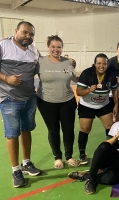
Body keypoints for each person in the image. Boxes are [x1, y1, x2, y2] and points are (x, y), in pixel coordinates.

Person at [0, 21, 41, 188]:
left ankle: (26, 163)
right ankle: (15, 170)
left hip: (29, 98)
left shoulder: (33, 50)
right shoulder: (2, 45)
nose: (28, 36)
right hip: (9, 99)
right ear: (16, 31)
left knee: (27, 130)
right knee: (12, 134)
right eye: (25, 32)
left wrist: (65, 63)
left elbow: (42, 68)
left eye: (31, 34)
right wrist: (5, 78)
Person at [68, 105, 119, 194]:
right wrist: (117, 136)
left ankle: (87, 176)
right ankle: (91, 180)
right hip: (109, 157)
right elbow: (106, 144)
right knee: (103, 147)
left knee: (111, 180)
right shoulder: (118, 125)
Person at [37, 35, 79, 169]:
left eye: (59, 47)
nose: (56, 49)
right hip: (46, 102)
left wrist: (90, 77)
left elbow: (75, 79)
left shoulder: (68, 62)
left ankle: (69, 156)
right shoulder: (40, 61)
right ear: (48, 47)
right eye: (53, 47)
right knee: (53, 130)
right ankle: (58, 157)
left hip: (67, 101)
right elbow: (27, 74)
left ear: (62, 48)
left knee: (68, 130)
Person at [76, 53, 118, 165]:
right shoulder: (87, 73)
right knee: (85, 129)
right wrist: (89, 90)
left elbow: (114, 90)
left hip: (103, 104)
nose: (101, 66)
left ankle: (111, 150)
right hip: (87, 105)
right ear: (95, 64)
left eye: (104, 63)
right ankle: (82, 154)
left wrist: (116, 104)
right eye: (99, 63)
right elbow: (78, 92)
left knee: (110, 126)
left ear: (107, 64)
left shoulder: (111, 74)